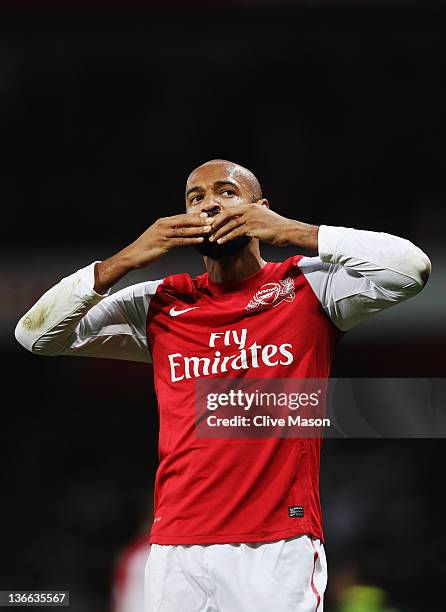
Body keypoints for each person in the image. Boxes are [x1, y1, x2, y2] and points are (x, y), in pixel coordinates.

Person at [15, 159, 431, 611]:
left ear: (260, 208)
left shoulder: (308, 286)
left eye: (225, 192)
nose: (209, 204)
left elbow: (411, 268)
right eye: (195, 198)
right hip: (175, 548)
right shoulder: (160, 302)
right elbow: (35, 335)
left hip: (275, 546)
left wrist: (292, 230)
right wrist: (127, 259)